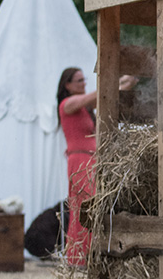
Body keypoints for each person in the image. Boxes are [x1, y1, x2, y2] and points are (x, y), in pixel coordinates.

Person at [56, 67, 137, 266]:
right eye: (79, 80)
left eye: (84, 79)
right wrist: (117, 81)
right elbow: (101, 92)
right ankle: (79, 257)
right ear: (67, 85)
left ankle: (85, 256)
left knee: (87, 209)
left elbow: (108, 92)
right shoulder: (67, 104)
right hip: (80, 161)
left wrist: (127, 80)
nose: (84, 83)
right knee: (87, 208)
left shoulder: (84, 107)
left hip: (90, 160)